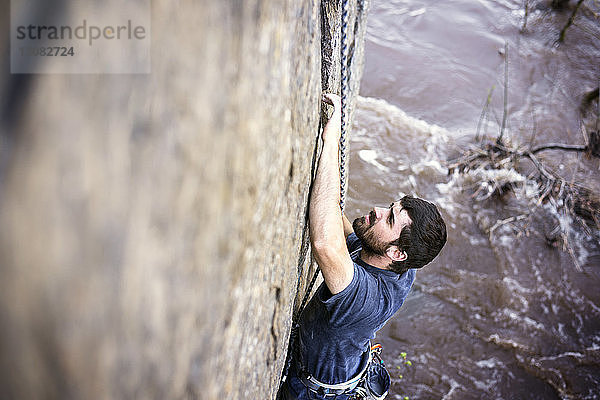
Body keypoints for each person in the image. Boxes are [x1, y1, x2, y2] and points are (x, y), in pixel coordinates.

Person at [278, 93, 447, 400]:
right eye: (390, 206)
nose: (378, 211)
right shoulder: (396, 261)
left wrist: (331, 141)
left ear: (397, 253)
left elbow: (326, 244)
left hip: (314, 392)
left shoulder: (367, 299)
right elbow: (336, 223)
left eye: (389, 217)